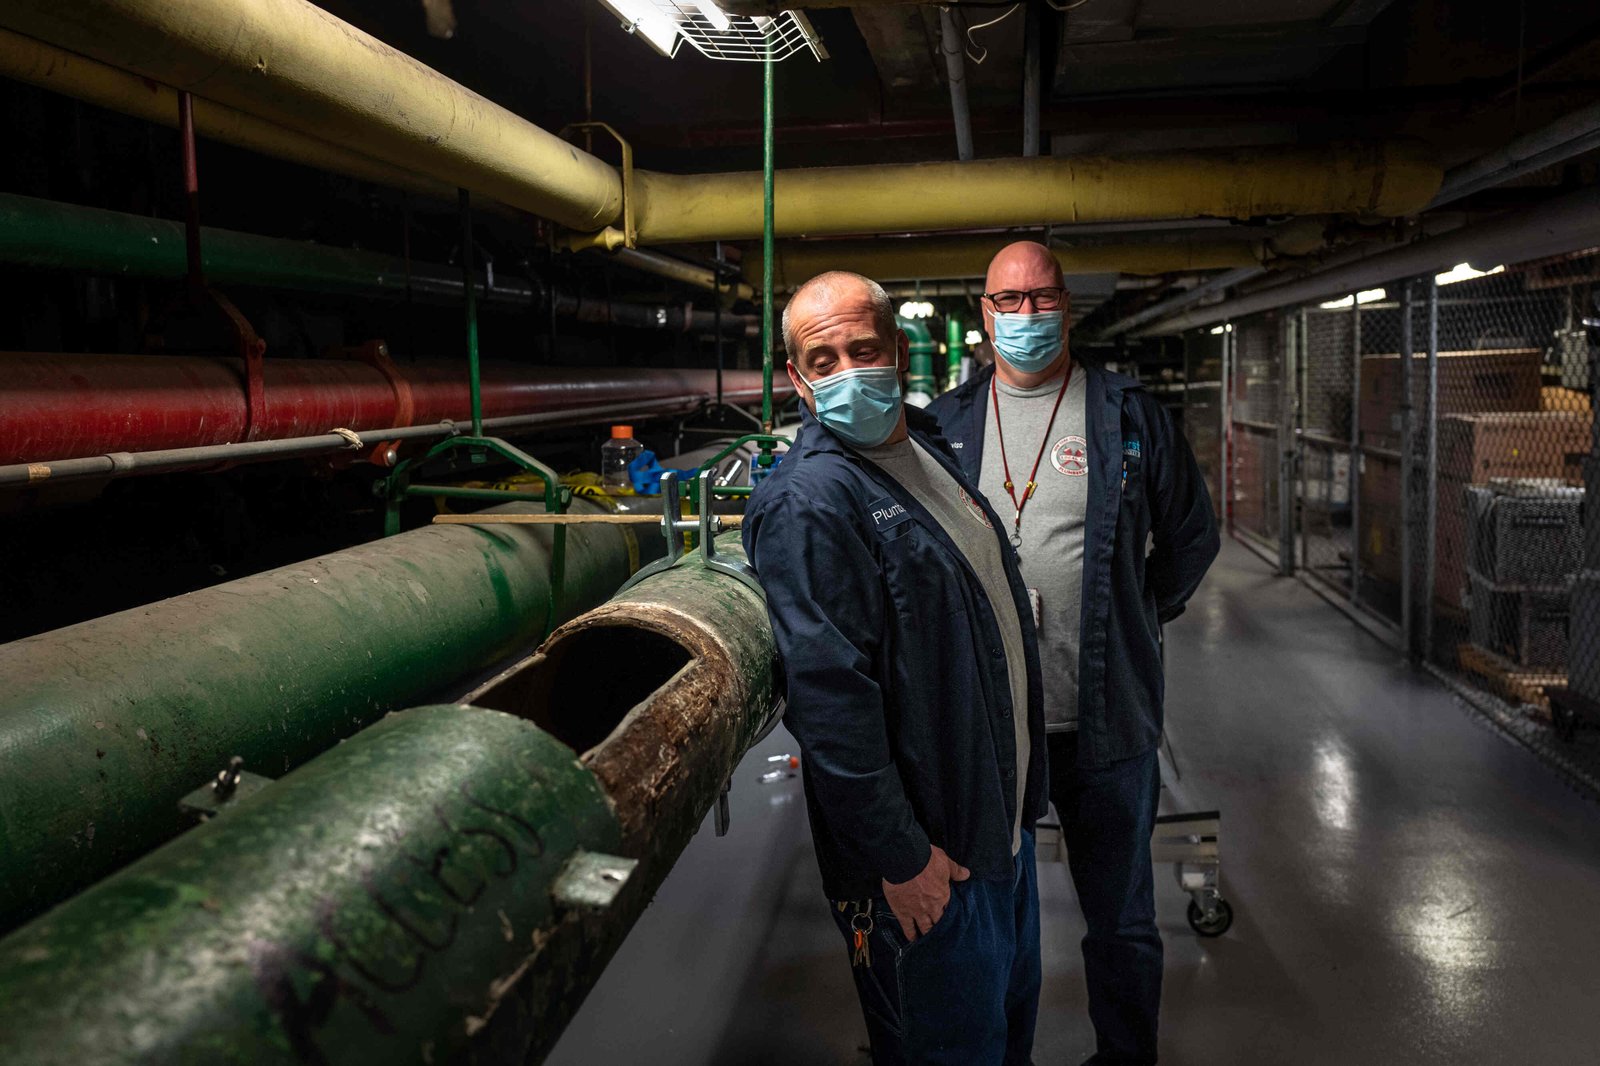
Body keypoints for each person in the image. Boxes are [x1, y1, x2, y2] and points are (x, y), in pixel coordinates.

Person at [743, 271, 1047, 1065]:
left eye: (864, 348)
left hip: (994, 833)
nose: (847, 368)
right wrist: (903, 861)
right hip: (928, 869)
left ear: (899, 353)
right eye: (824, 356)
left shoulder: (927, 449)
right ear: (799, 382)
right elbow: (831, 705)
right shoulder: (810, 503)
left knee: (1004, 1038)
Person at [927, 242, 1219, 1065]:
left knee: (1121, 920)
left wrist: (1137, 610)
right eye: (1007, 301)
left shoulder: (1128, 415)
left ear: (1067, 306)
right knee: (991, 915)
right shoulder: (946, 428)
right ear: (983, 313)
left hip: (1106, 714)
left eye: (1042, 297)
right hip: (992, 723)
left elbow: (1193, 535)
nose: (1025, 315)